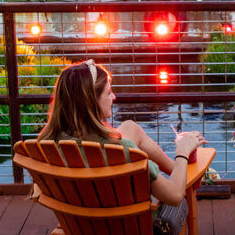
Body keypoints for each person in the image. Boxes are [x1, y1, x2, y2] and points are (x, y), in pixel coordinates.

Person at [38, 60, 206, 206]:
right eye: (108, 92)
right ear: (91, 102)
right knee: (178, 192)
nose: (114, 97)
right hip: (130, 233)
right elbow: (175, 197)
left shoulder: (48, 145)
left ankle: (178, 172)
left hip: (80, 227)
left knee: (129, 126)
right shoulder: (122, 150)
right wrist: (182, 151)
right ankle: (182, 173)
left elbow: (37, 191)